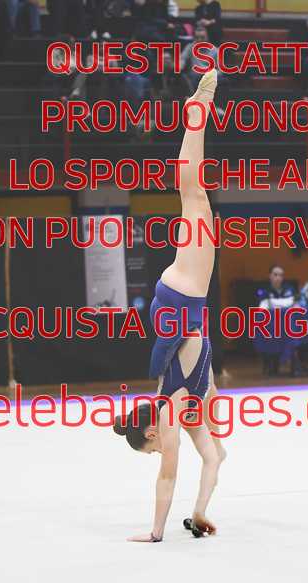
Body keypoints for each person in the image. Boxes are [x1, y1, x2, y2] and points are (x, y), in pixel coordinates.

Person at [114, 69, 226, 542]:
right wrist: (198, 513)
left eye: (152, 449)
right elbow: (214, 456)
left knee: (192, 195)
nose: (161, 452)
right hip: (183, 299)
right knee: (194, 198)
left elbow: (167, 475)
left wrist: (156, 532)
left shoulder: (167, 413)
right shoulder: (192, 406)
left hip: (183, 293)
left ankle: (196, 112)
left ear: (151, 435)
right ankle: (196, 114)